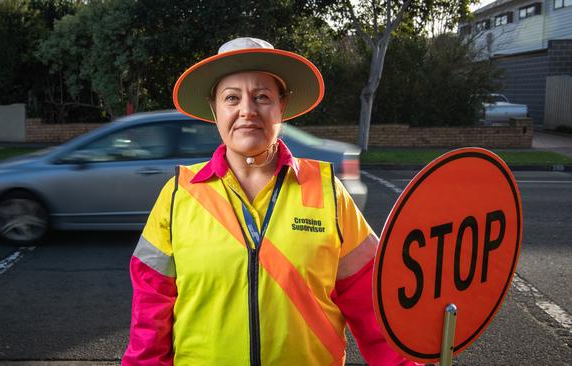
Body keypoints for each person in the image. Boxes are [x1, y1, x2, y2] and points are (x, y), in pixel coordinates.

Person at [122, 37, 420, 366]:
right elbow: (149, 321)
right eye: (231, 98)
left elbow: (374, 306)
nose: (247, 110)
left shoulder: (328, 192)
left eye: (262, 97)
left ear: (282, 106)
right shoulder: (178, 194)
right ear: (214, 109)